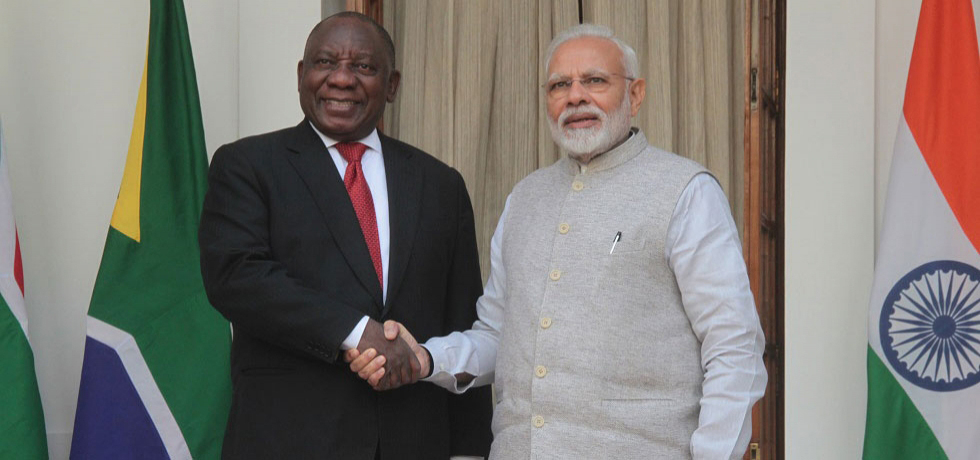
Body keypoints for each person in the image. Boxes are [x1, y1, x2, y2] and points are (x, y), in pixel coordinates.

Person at [347, 24, 767, 459]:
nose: (575, 96)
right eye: (559, 85)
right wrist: (426, 359)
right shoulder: (526, 197)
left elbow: (734, 345)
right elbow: (497, 335)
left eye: (596, 81)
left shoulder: (685, 191)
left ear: (636, 95)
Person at [198, 12, 492, 460]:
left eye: (363, 67)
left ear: (391, 85)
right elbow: (236, 277)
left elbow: (463, 319)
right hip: (288, 441)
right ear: (302, 75)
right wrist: (356, 332)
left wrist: (470, 451)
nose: (341, 79)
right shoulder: (248, 166)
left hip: (414, 441)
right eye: (325, 62)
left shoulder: (439, 184)